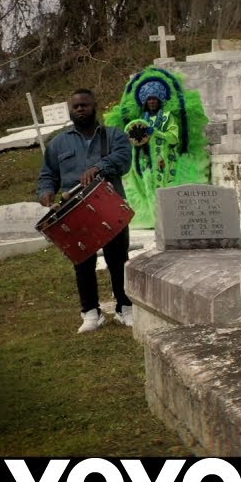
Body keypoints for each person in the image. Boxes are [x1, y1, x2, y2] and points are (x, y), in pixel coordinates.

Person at [38, 88, 134, 332]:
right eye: (75, 106)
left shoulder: (114, 135)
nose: (80, 109)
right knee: (82, 262)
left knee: (118, 259)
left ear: (94, 106)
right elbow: (48, 174)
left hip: (108, 205)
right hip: (74, 211)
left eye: (84, 104)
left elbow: (123, 160)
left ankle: (125, 308)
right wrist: (46, 191)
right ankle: (91, 313)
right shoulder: (58, 143)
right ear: (70, 111)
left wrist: (99, 167)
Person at [103, 66, 210, 229]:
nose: (152, 102)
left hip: (165, 161)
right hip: (144, 160)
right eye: (149, 100)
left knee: (165, 188)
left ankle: (168, 218)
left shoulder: (167, 117)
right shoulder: (141, 118)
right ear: (145, 102)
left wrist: (157, 134)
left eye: (154, 99)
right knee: (146, 186)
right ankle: (154, 218)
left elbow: (174, 137)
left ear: (160, 100)